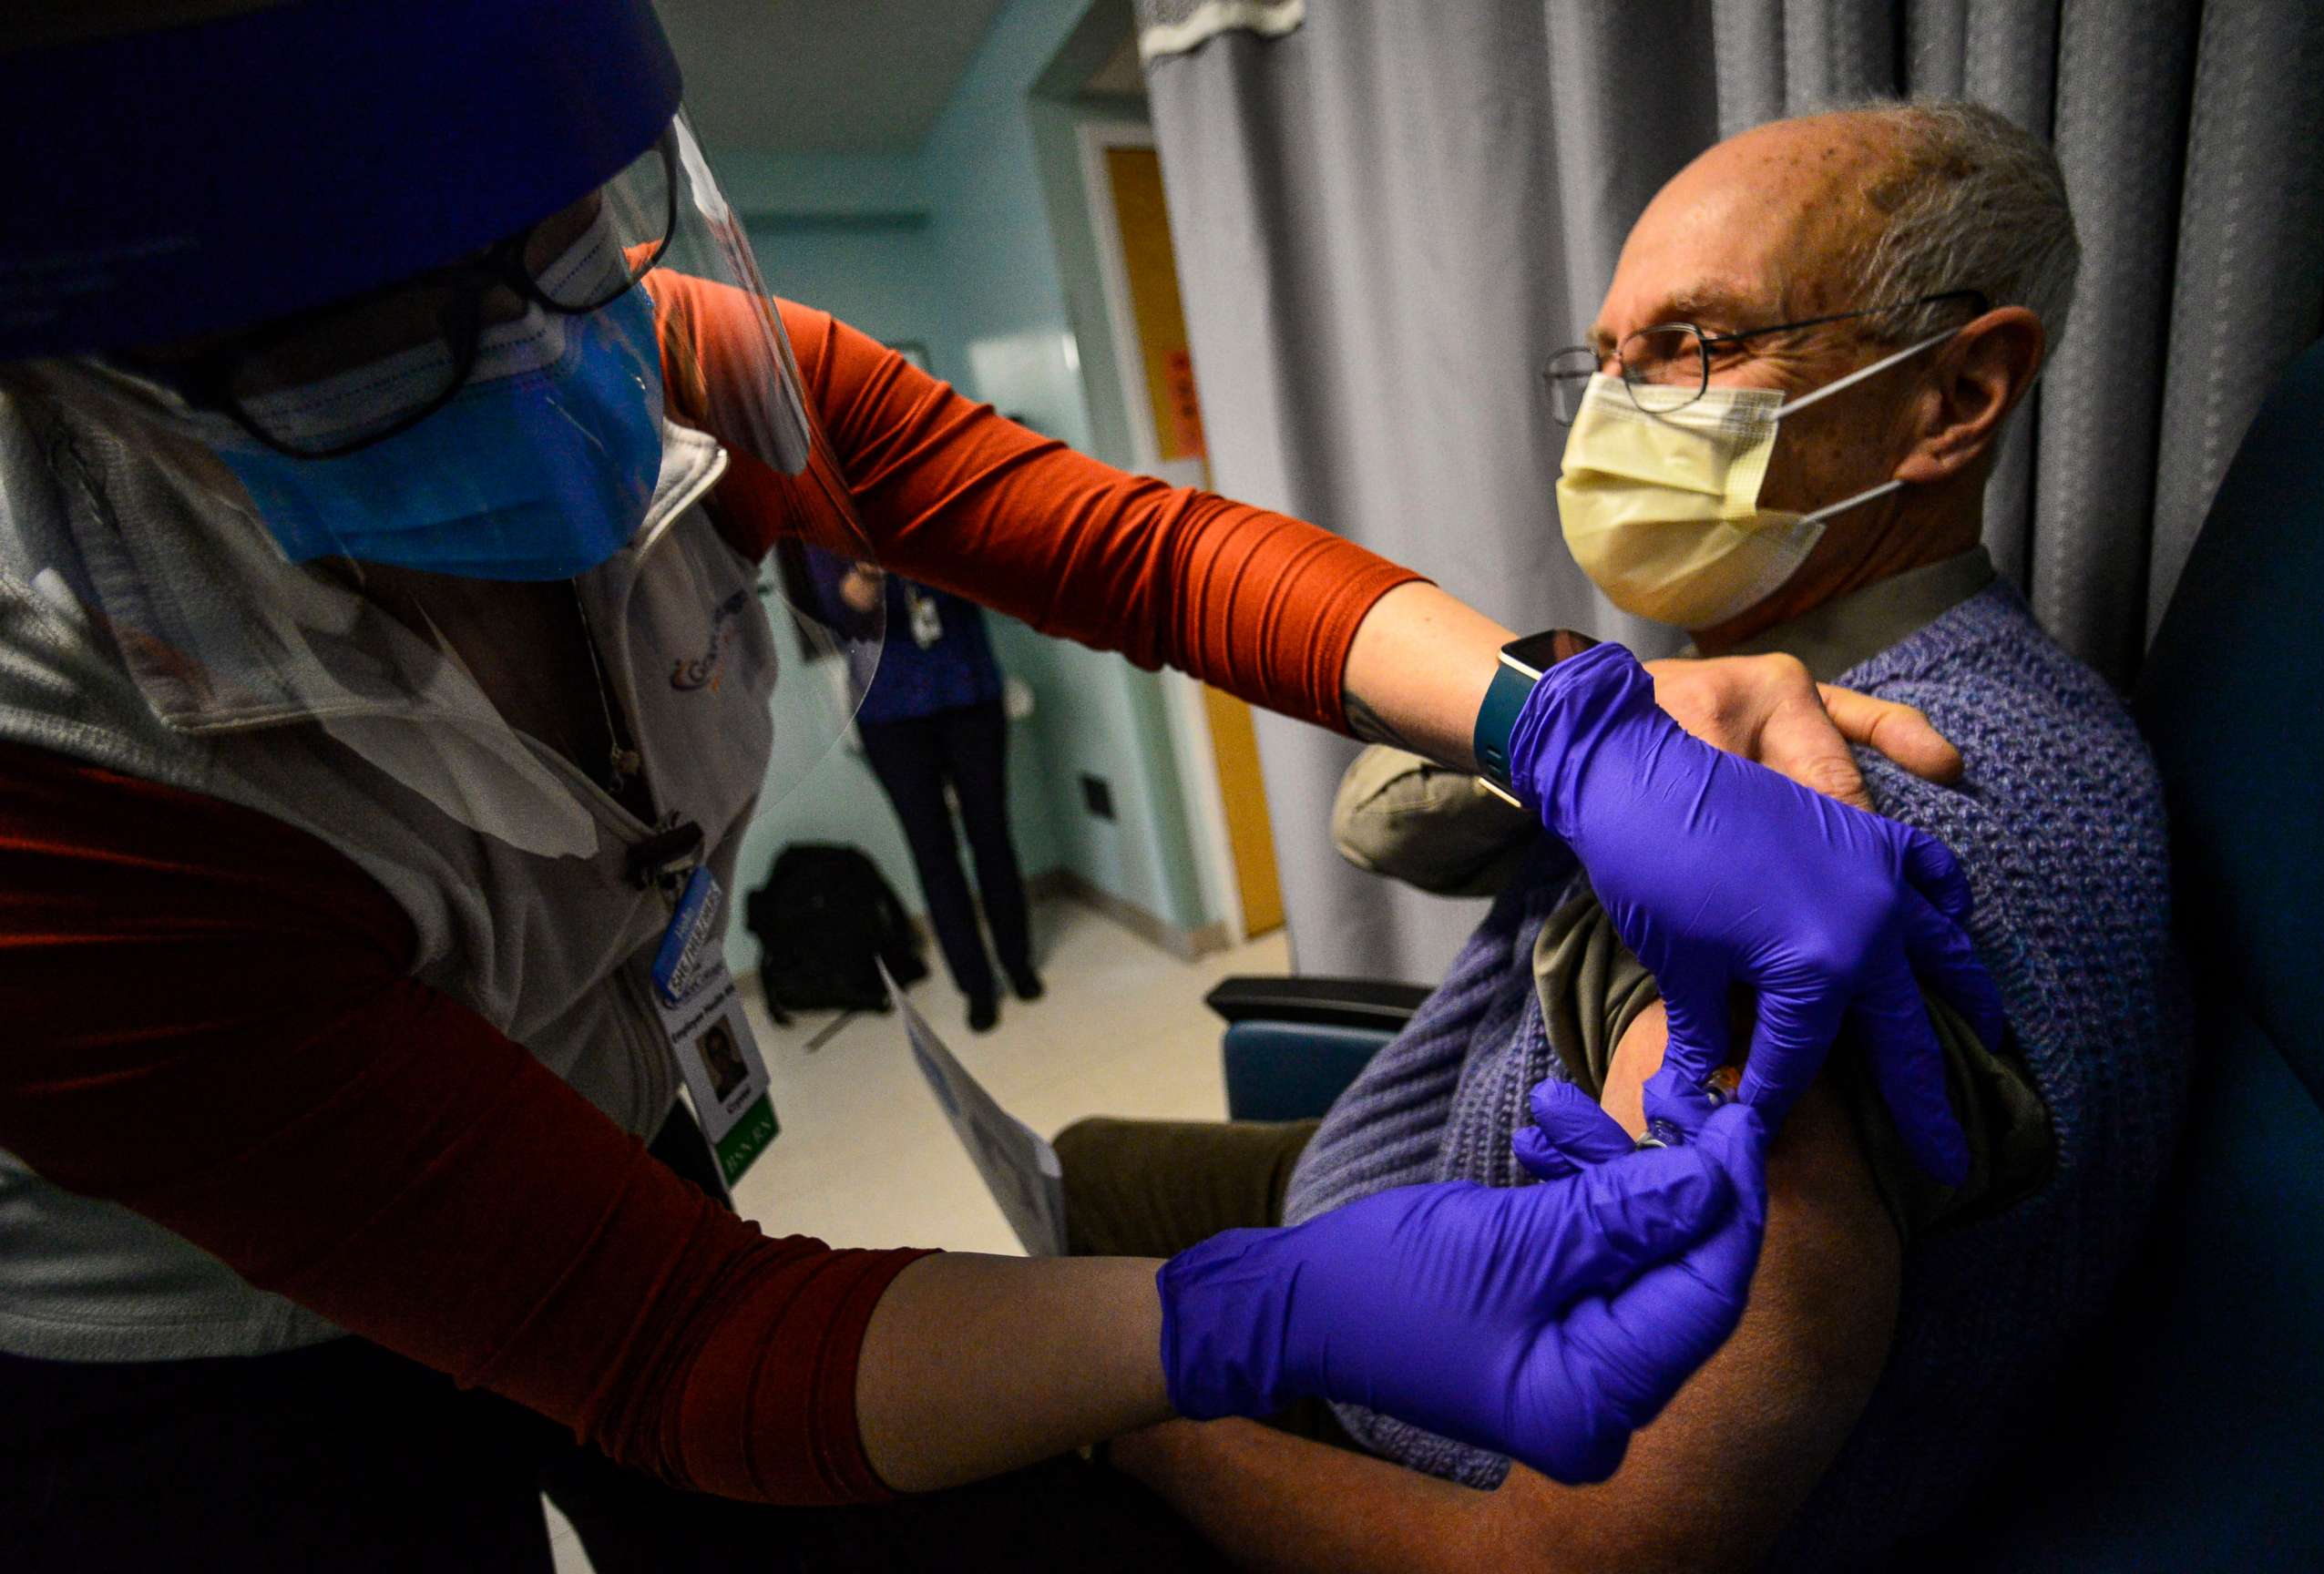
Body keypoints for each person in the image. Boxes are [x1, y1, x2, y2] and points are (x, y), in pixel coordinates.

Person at [0, 5, 1994, 1567]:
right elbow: (672, 1344)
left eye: (559, 241)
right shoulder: (54, 768)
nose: (550, 347)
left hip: (605, 1092)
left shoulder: (639, 351)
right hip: (190, 1350)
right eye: (378, 335)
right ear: (109, 367)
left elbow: (1152, 555)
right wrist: (1227, 1326)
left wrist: (1551, 718)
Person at [1060, 100, 2188, 1570]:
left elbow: (1574, 1559)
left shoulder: (1811, 838)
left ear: (1953, 396)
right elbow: (1386, 815)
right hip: (1420, 1169)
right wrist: (1593, 720)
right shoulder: (1763, 688)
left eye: (1696, 343)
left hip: (1449, 1439)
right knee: (1080, 1162)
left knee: (1018, 1339)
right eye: (1604, 360)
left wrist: (1125, 1414)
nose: (1616, 411)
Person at [814, 555, 1038, 1032]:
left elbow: (989, 576)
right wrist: (873, 566)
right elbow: (841, 610)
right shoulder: (828, 523)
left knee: (992, 835)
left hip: (969, 691)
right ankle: (975, 985)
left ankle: (1018, 963)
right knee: (933, 852)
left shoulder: (935, 494)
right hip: (890, 713)